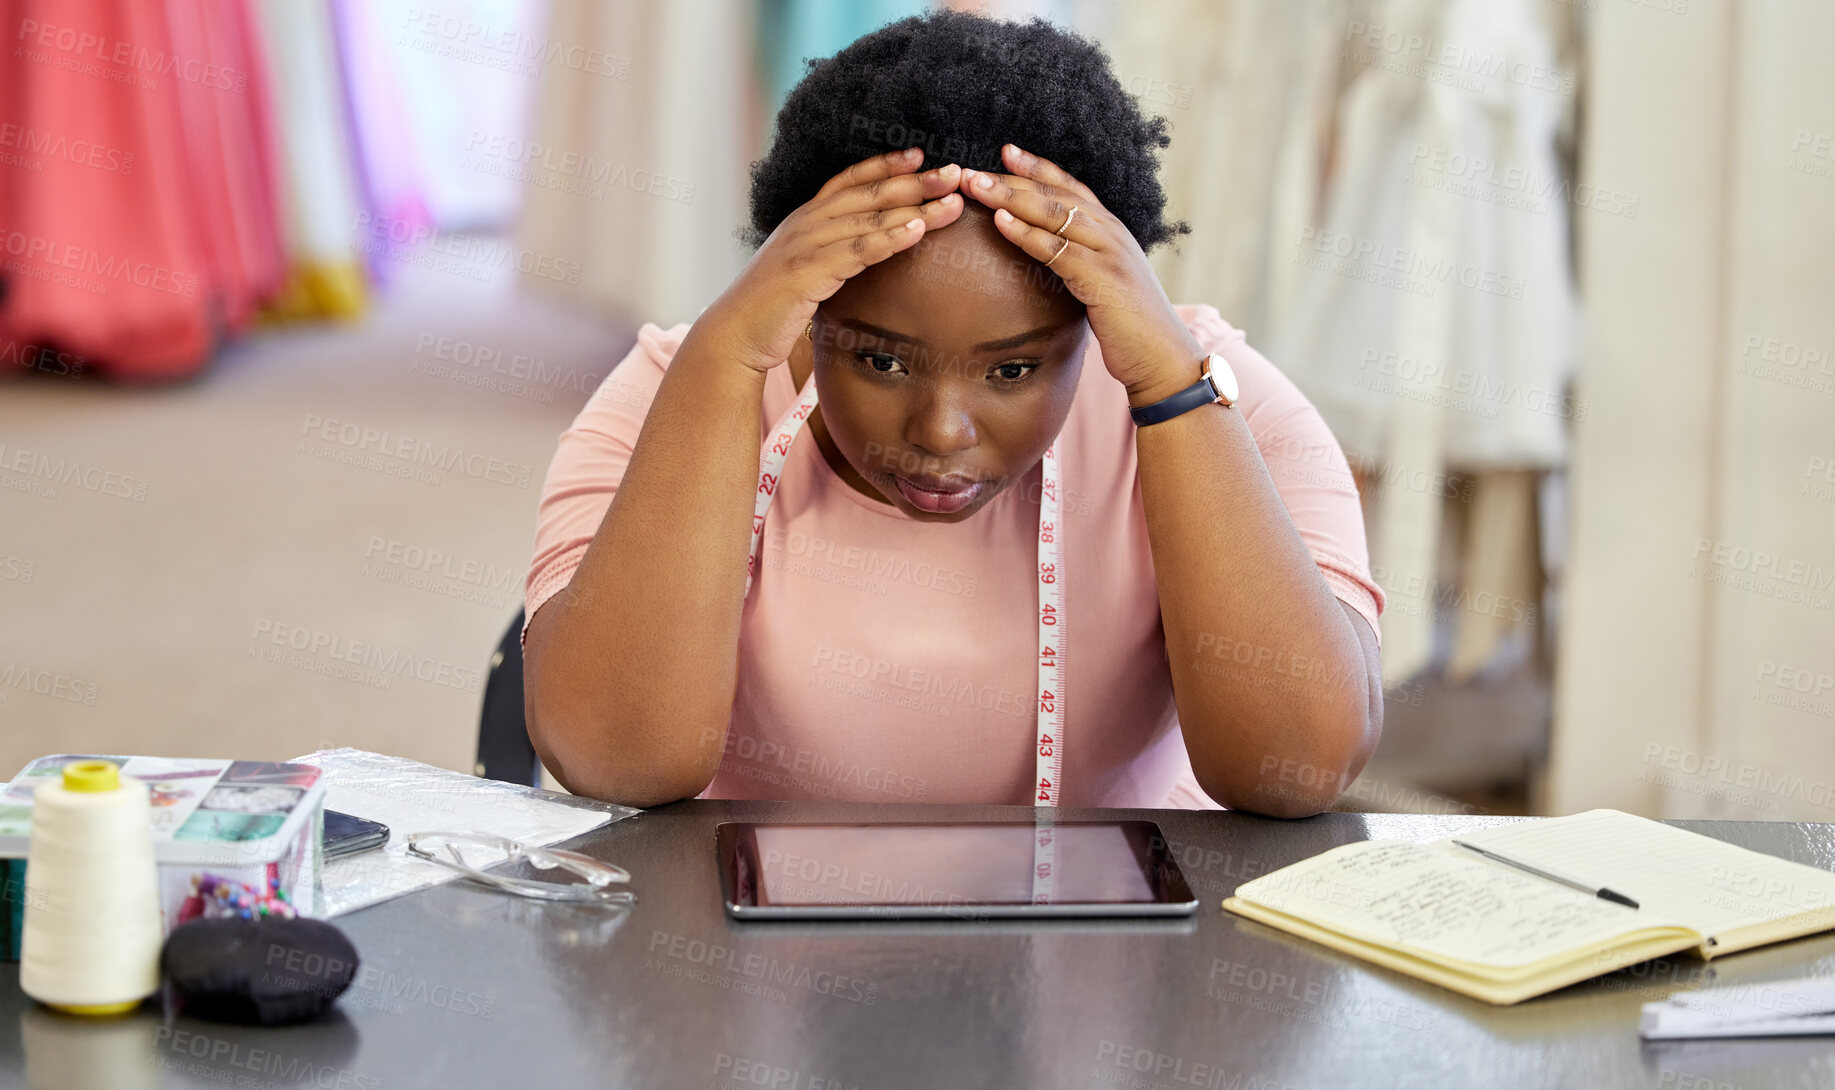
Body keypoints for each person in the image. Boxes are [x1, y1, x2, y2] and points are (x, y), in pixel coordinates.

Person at [521, 11, 1385, 816]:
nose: (941, 432)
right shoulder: (677, 388)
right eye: (880, 358)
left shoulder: (1216, 393)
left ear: (1092, 316)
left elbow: (1297, 769)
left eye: (1013, 367)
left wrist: (1174, 393)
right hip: (744, 959)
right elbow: (614, 761)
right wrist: (722, 364)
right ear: (809, 302)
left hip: (1110, 959)